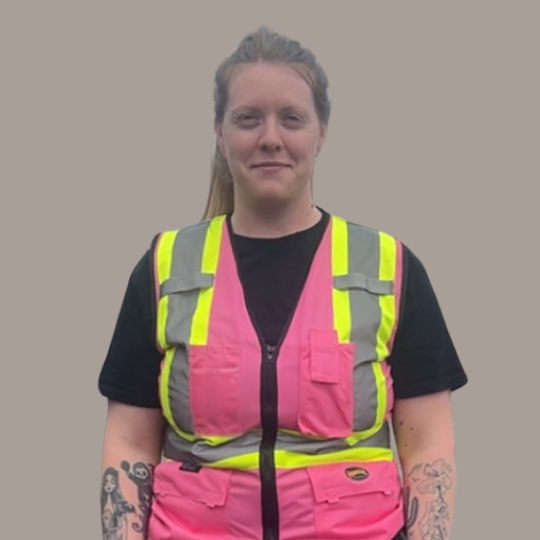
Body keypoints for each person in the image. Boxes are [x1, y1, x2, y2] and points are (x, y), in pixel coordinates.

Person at [98, 26, 467, 540]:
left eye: (291, 118)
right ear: (219, 131)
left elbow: (427, 447)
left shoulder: (390, 268)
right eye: (248, 118)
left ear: (321, 132)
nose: (270, 137)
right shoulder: (164, 269)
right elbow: (130, 443)